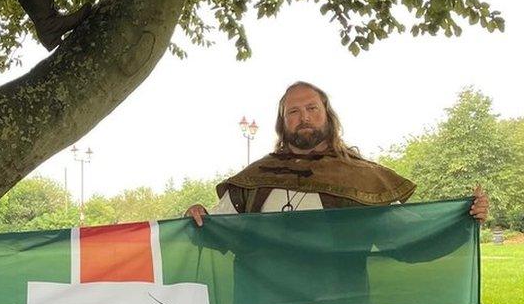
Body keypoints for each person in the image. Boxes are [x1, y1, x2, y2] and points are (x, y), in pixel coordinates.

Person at [187, 81, 489, 222]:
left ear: (327, 116)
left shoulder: (361, 177)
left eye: (311, 108)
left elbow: (407, 233)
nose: (303, 117)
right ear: (282, 123)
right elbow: (214, 229)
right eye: (293, 111)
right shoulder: (255, 179)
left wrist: (463, 217)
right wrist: (197, 216)